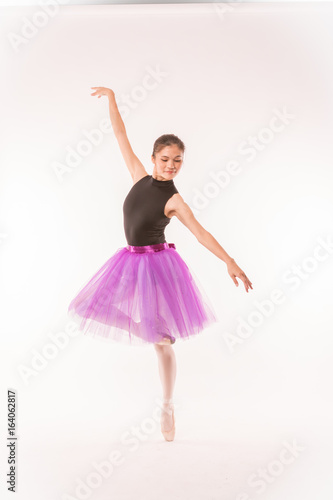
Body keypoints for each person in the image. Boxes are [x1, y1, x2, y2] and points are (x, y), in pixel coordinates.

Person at [68, 87, 253, 442]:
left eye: (178, 160)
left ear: (182, 163)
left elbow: (200, 233)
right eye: (166, 158)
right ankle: (149, 329)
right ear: (153, 158)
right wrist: (112, 100)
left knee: (163, 345)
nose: (171, 165)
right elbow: (120, 134)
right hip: (128, 262)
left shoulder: (174, 199)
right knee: (87, 307)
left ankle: (167, 406)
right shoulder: (139, 175)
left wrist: (230, 261)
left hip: (157, 267)